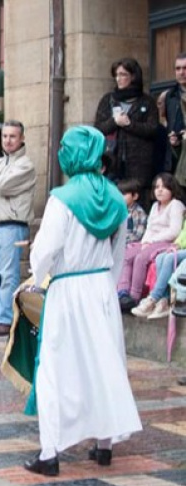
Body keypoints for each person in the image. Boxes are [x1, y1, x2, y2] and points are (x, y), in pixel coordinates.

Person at [23, 125, 141, 476]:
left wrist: (37, 275)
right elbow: (119, 252)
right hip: (101, 287)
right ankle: (104, 446)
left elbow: (46, 250)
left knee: (54, 369)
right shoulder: (118, 198)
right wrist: (107, 282)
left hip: (68, 288)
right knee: (104, 363)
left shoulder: (63, 198)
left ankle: (50, 453)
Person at [0, 120, 36, 337]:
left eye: (13, 136)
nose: (8, 140)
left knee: (9, 276)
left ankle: (6, 318)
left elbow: (0, 186)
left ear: (21, 138)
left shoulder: (26, 165)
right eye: (4, 136)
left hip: (12, 226)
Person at [117, 173, 185, 310]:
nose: (159, 190)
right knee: (126, 255)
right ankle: (123, 293)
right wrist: (145, 242)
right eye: (157, 187)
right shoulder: (155, 206)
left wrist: (152, 241)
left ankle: (135, 297)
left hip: (167, 242)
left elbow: (175, 230)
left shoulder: (176, 205)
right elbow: (149, 228)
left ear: (172, 189)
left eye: (164, 187)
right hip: (150, 242)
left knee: (141, 258)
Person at [94, 57, 159, 203]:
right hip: (113, 162)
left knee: (138, 203)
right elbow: (98, 128)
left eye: (123, 75)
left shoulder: (146, 102)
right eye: (116, 75)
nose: (118, 79)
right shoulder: (108, 100)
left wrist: (130, 124)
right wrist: (114, 122)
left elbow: (152, 129)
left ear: (133, 76)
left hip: (140, 166)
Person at [168, 53, 186, 183]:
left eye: (185, 68)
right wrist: (174, 140)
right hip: (178, 158)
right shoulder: (171, 95)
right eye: (178, 68)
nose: (181, 72)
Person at [118, 179, 147, 244]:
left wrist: (120, 240)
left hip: (130, 244)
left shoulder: (138, 212)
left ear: (135, 196)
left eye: (124, 194)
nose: (120, 197)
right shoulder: (117, 210)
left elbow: (138, 235)